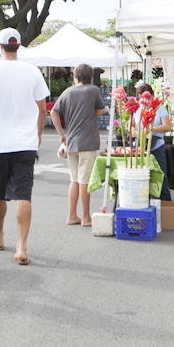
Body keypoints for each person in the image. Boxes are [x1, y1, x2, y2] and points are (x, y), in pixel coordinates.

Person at [0, 28, 49, 266]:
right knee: (24, 193)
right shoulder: (33, 71)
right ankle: (22, 247)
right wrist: (37, 134)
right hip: (25, 142)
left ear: (0, 46)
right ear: (19, 45)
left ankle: (0, 235)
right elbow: (43, 108)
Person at [50, 64, 104, 227]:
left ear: (75, 77)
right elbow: (99, 111)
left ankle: (72, 215)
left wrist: (61, 135)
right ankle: (86, 217)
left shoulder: (67, 92)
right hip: (87, 142)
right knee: (84, 180)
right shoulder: (93, 90)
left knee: (74, 179)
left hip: (71, 142)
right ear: (91, 77)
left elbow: (53, 112)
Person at [134, 82, 172, 201]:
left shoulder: (160, 109)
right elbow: (131, 127)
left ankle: (166, 207)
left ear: (152, 95)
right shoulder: (137, 109)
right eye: (141, 97)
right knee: (139, 177)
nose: (145, 100)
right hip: (140, 147)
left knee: (160, 177)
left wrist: (150, 129)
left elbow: (167, 127)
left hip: (156, 146)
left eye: (147, 97)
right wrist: (136, 132)